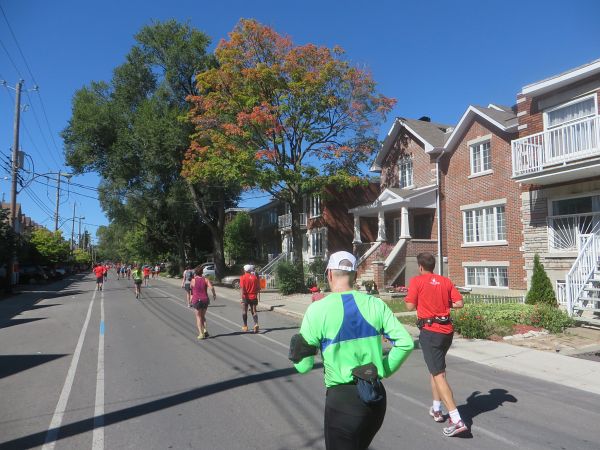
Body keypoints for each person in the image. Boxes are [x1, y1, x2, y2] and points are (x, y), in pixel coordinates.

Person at [290, 251, 414, 450]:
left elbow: (304, 367)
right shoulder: (376, 304)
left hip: (343, 402)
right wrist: (383, 369)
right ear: (355, 275)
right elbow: (405, 343)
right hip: (375, 397)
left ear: (329, 274)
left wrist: (298, 349)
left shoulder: (317, 310)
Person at [404, 252, 467, 437]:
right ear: (434, 266)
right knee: (435, 369)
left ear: (420, 267)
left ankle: (457, 419)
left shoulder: (417, 281)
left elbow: (409, 306)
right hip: (447, 331)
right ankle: (437, 409)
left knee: (439, 374)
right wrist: (444, 302)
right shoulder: (445, 281)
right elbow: (459, 302)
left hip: (430, 333)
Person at [190, 266, 216, 339]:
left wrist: (190, 300)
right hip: (205, 300)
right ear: (202, 272)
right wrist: (214, 294)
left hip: (197, 300)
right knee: (203, 316)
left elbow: (192, 291)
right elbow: (212, 287)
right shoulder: (206, 279)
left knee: (198, 317)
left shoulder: (193, 280)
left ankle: (201, 334)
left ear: (195, 273)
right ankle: (205, 330)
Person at [239, 264, 260, 333]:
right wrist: (255, 294)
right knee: (254, 311)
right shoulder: (254, 277)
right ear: (250, 270)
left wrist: (241, 298)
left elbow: (242, 288)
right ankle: (256, 324)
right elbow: (258, 288)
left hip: (245, 296)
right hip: (253, 296)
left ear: (245, 270)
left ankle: (245, 326)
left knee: (244, 311)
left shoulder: (243, 277)